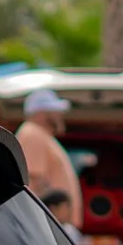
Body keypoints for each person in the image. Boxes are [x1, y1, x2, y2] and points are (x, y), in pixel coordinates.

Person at [17, 89, 84, 225]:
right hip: (51, 225)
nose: (60, 114)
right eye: (55, 111)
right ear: (41, 113)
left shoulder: (41, 135)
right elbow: (35, 183)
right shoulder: (32, 134)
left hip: (55, 224)